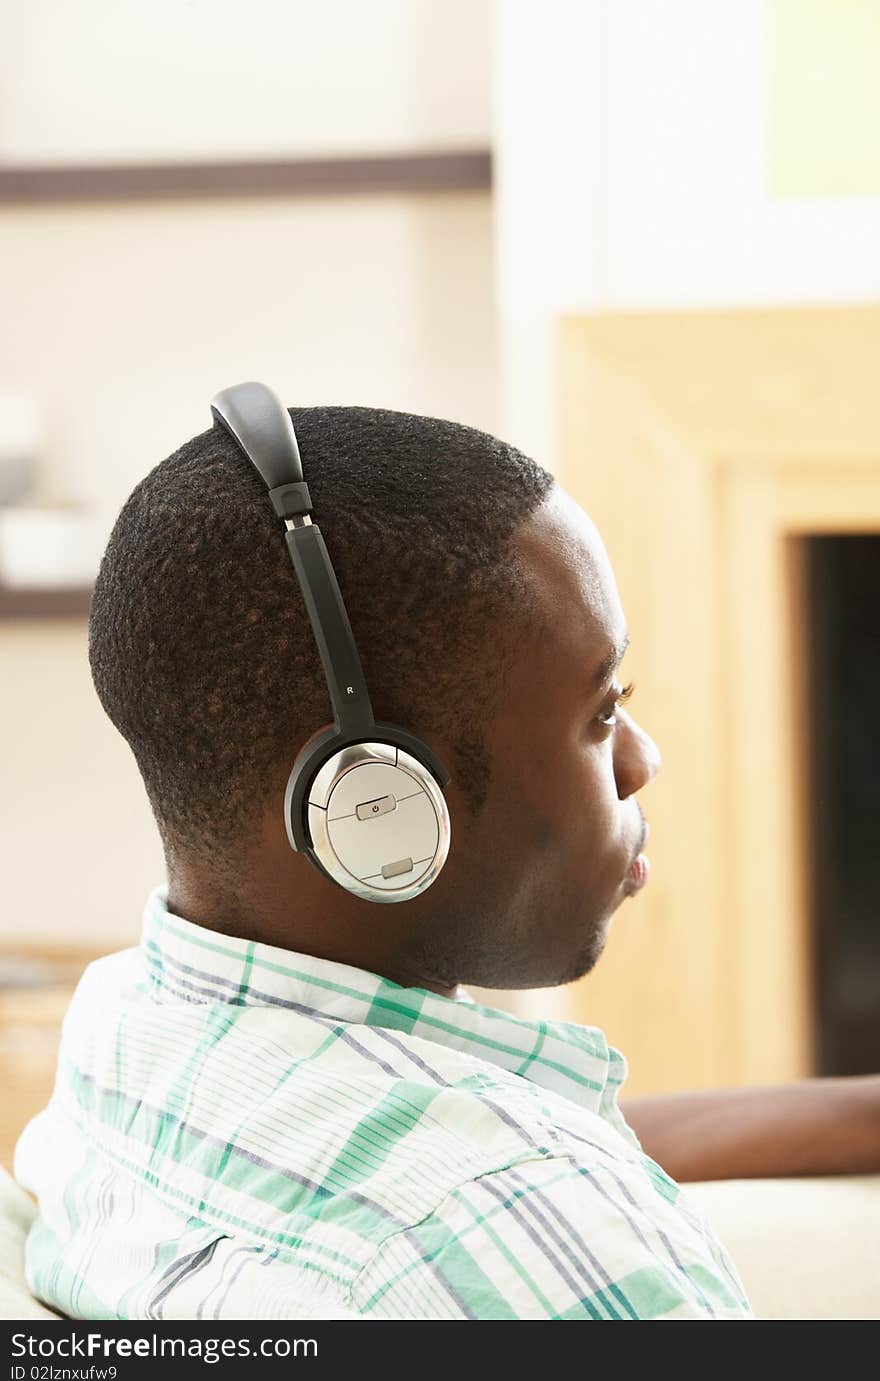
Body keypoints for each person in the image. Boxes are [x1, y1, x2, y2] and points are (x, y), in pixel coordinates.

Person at [15, 404, 878, 1320]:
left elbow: (465, 1157)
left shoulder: (133, 1023)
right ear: (373, 806)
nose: (640, 759)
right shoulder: (517, 1239)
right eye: (599, 713)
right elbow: (500, 1200)